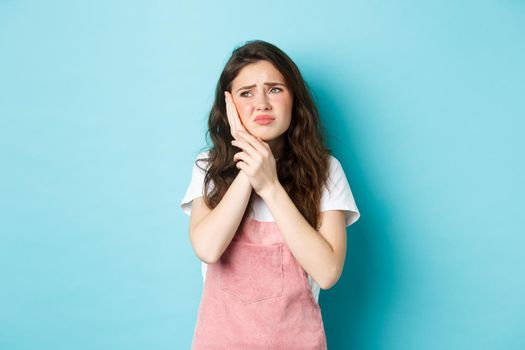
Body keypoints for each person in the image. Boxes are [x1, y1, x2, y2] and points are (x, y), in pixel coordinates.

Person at [180, 39, 360, 349]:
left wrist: (271, 186)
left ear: (294, 98)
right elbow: (208, 248)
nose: (261, 103)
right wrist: (252, 168)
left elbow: (328, 272)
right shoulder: (208, 167)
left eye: (275, 89)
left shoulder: (326, 170)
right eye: (246, 93)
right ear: (229, 105)